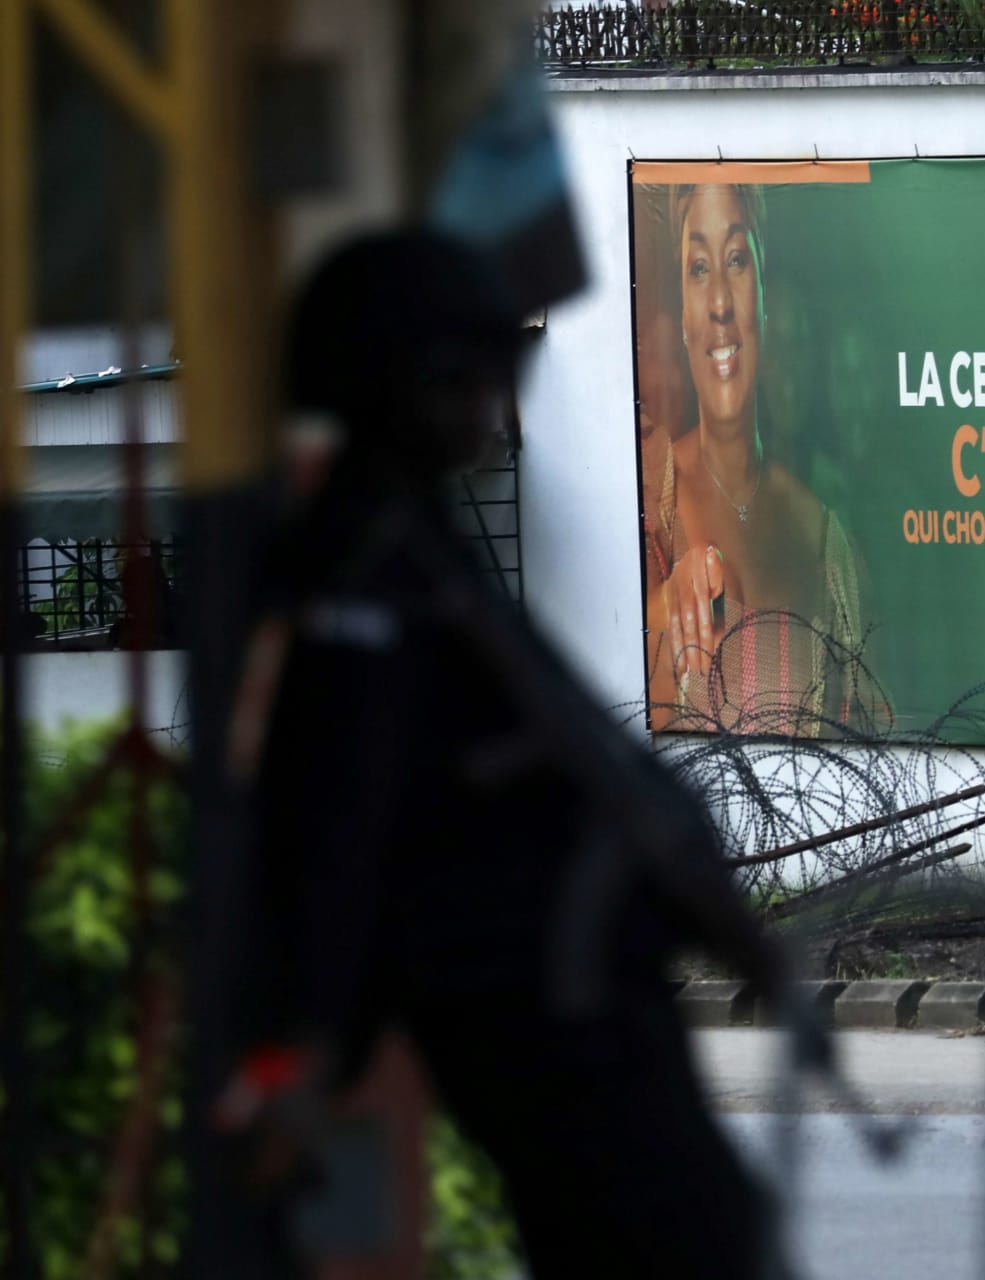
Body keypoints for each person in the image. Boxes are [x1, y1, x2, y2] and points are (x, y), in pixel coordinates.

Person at [220, 230, 793, 1277]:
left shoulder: (408, 548)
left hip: (570, 1014)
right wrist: (306, 1039)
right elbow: (340, 828)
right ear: (403, 385)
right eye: (466, 378)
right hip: (543, 1027)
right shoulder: (370, 579)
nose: (490, 406)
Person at [644, 183, 880, 736]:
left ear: (765, 297)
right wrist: (663, 606)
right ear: (682, 315)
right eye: (699, 268)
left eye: (736, 260)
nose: (721, 303)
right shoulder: (648, 494)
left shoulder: (825, 538)